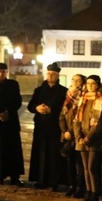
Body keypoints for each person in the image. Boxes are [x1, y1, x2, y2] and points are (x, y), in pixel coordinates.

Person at [28, 62, 68, 190]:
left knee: (54, 155)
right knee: (41, 153)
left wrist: (52, 111)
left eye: (53, 74)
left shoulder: (63, 91)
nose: (51, 76)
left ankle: (54, 181)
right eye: (49, 74)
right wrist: (37, 108)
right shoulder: (39, 90)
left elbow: (65, 109)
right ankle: (41, 180)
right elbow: (30, 106)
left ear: (57, 76)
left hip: (55, 128)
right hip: (40, 127)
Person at [74, 75, 102, 201]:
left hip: (94, 139)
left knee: (92, 167)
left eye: (93, 84)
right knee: (85, 168)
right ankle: (88, 192)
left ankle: (95, 194)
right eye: (88, 83)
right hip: (81, 139)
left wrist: (89, 137)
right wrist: (78, 136)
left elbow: (101, 122)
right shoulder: (83, 98)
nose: (90, 86)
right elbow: (77, 119)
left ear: (98, 85)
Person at [59, 74, 85, 197]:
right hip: (68, 135)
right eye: (73, 79)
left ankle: (80, 187)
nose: (75, 82)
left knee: (79, 164)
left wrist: (70, 131)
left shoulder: (83, 96)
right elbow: (62, 114)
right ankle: (72, 185)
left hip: (77, 134)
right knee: (70, 163)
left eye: (78, 80)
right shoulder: (68, 95)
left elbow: (78, 118)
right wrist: (64, 131)